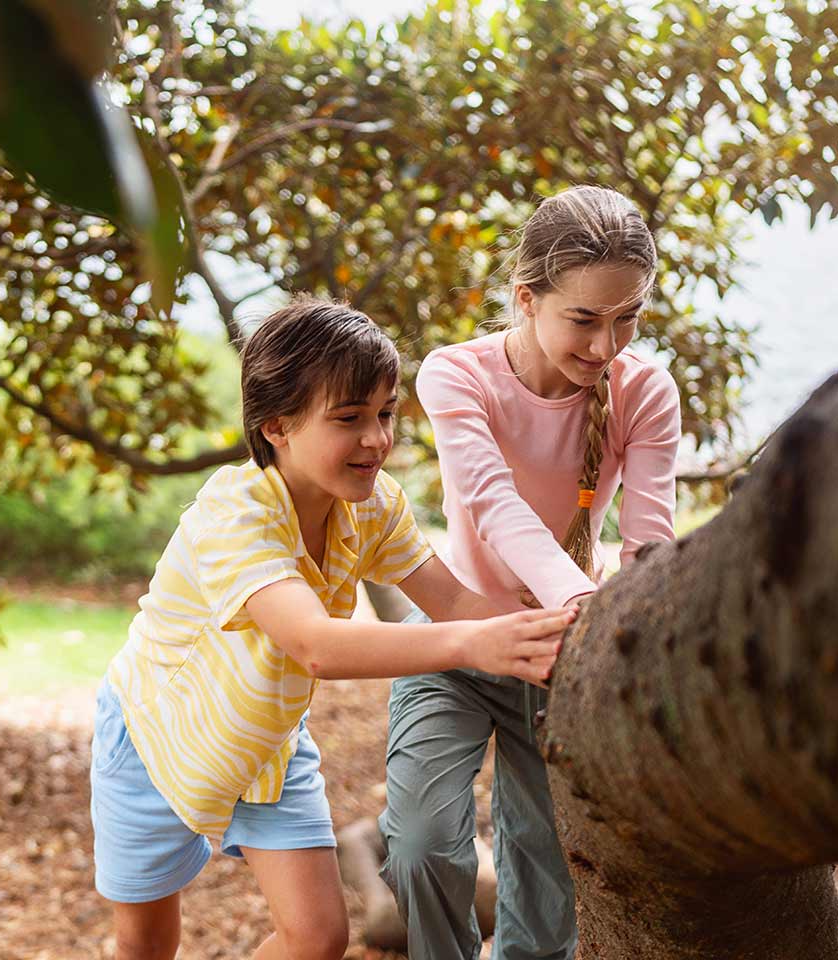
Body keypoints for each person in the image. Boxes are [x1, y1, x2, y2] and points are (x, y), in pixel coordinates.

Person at [92, 298, 579, 960]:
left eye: (385, 414)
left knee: (317, 937)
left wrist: (555, 635)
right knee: (145, 945)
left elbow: (453, 601)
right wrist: (474, 646)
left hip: (266, 747)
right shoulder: (235, 515)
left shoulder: (373, 506)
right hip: (157, 736)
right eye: (349, 418)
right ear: (277, 426)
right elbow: (316, 646)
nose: (376, 439)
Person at [378, 185, 683, 959]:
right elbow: (493, 504)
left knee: (549, 889)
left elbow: (649, 547)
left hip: (561, 659)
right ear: (526, 298)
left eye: (628, 317)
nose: (606, 345)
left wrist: (618, 635)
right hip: (456, 636)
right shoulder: (457, 374)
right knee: (420, 848)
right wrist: (581, 600)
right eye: (584, 319)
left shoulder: (644, 392)